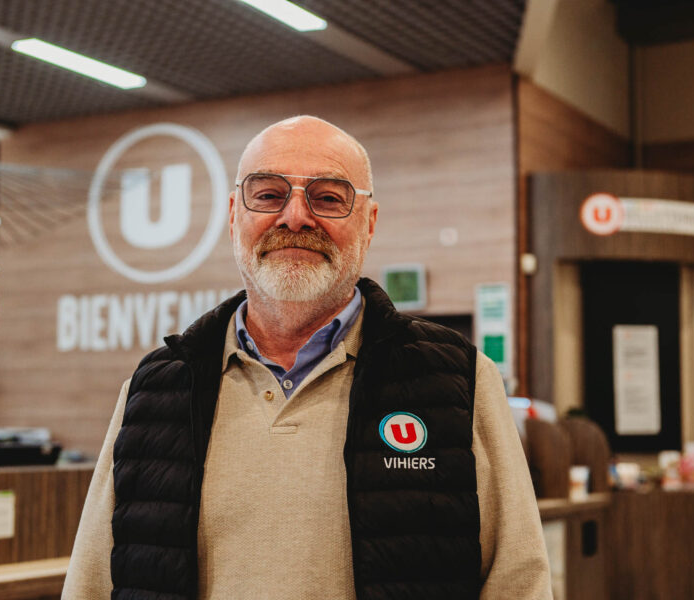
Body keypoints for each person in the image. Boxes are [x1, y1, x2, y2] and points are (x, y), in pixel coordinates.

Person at [62, 116, 552, 600]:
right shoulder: (154, 390)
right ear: (233, 215)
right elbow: (91, 585)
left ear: (369, 222)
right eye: (269, 195)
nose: (295, 217)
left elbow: (519, 583)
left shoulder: (459, 380)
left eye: (328, 198)